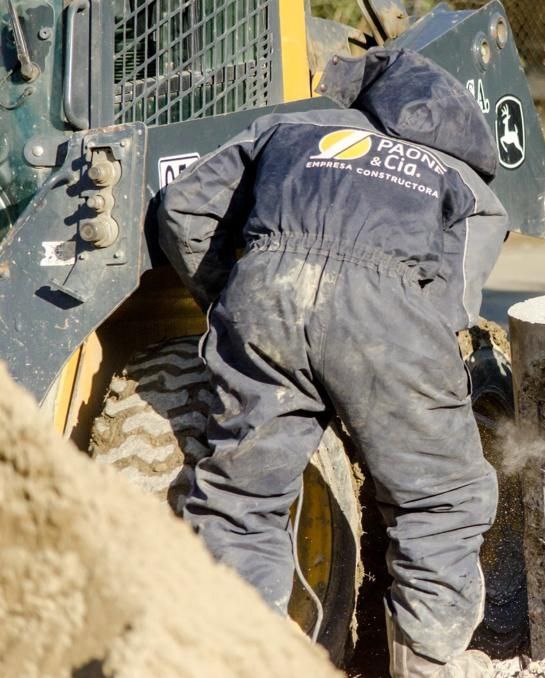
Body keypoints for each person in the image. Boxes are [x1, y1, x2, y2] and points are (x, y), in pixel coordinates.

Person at [157, 48, 506, 677]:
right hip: (391, 314)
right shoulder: (469, 186)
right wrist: (376, 386)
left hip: (267, 292)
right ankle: (426, 663)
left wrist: (231, 299)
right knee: (441, 501)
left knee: (240, 496)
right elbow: (452, 306)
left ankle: (238, 660)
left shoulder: (290, 127)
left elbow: (182, 209)